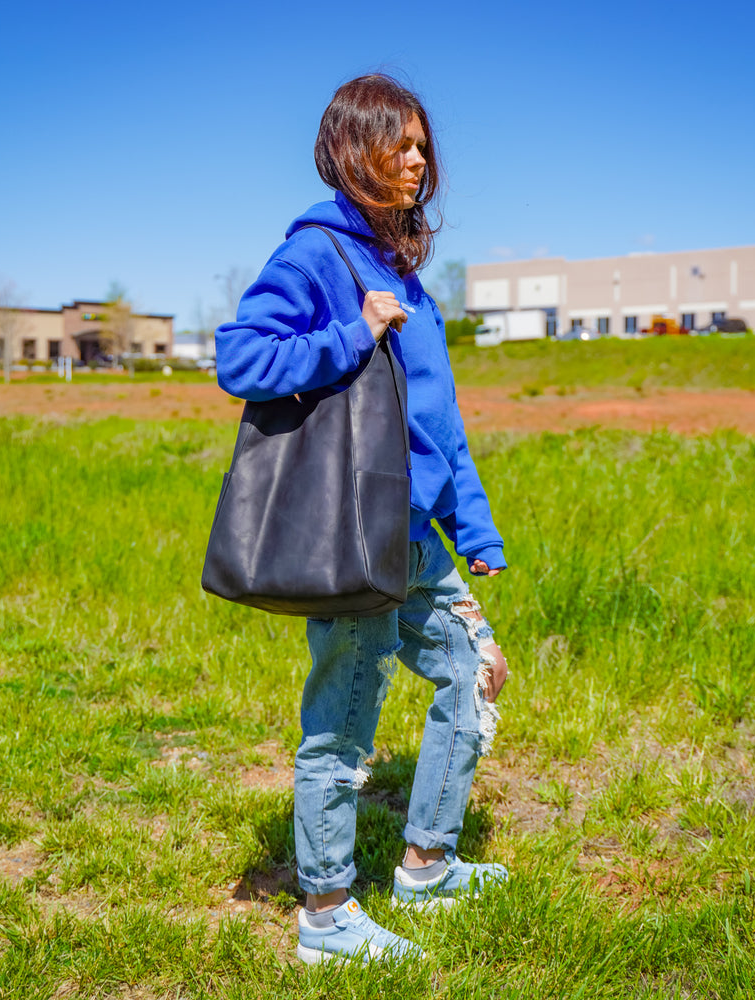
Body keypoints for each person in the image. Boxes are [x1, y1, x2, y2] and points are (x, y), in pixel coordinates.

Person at [215, 74, 509, 964]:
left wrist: (477, 532)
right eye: (400, 143)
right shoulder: (317, 255)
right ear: (354, 149)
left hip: (417, 539)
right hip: (352, 533)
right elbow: (242, 358)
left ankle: (425, 864)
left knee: (476, 674)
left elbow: (439, 421)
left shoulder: (404, 271)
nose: (418, 160)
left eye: (424, 146)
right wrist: (351, 336)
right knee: (344, 722)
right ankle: (327, 916)